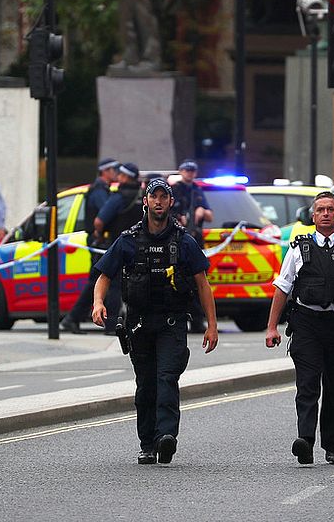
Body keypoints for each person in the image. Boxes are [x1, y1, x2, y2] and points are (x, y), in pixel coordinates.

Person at [92, 177, 218, 465]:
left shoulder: (184, 241)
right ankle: (147, 443)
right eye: (154, 196)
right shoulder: (128, 240)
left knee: (167, 379)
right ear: (146, 201)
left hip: (172, 323)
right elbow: (104, 277)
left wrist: (212, 325)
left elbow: (202, 284)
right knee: (146, 385)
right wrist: (98, 303)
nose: (159, 201)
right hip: (139, 324)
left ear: (171, 202)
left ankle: (166, 437)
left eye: (164, 197)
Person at [265, 191, 334, 466]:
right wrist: (271, 328)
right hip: (307, 324)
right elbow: (282, 287)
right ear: (313, 216)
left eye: (330, 210)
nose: (325, 214)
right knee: (308, 384)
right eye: (320, 210)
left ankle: (332, 447)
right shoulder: (298, 248)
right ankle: (305, 441)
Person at [61, 157, 119, 334]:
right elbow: (104, 215)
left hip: (98, 241)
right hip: (98, 242)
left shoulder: (102, 189)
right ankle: (73, 318)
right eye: (112, 170)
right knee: (98, 281)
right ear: (104, 171)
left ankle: (73, 318)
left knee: (95, 281)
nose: (115, 173)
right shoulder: (99, 190)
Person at [91, 162, 144, 334]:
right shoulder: (142, 195)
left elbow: (99, 221)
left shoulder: (119, 197)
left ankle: (111, 324)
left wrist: (99, 234)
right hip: (142, 246)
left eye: (120, 174)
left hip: (120, 244)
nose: (118, 177)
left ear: (126, 177)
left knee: (113, 285)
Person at [172, 159, 213, 333]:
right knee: (179, 280)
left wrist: (202, 211)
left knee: (199, 280)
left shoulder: (197, 190)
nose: (189, 173)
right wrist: (178, 218)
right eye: (186, 170)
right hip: (178, 239)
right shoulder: (174, 190)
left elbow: (210, 216)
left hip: (195, 239)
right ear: (181, 171)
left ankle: (197, 320)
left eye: (192, 171)